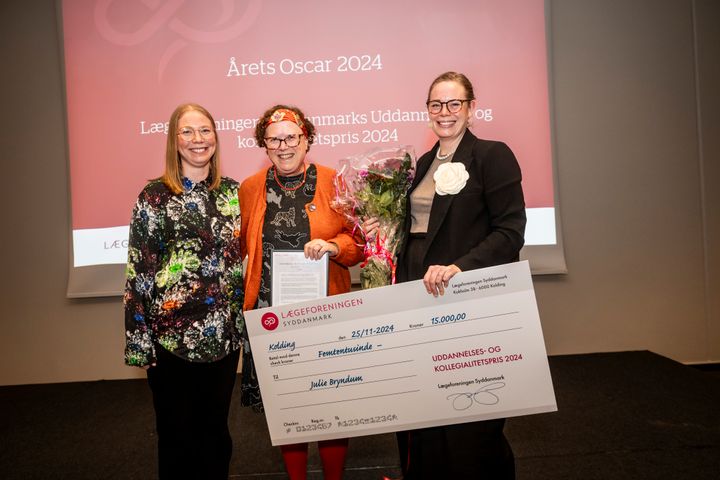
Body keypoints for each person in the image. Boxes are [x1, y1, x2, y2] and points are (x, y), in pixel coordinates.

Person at [392, 71, 526, 478]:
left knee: (471, 416)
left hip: (465, 296)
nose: (444, 112)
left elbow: (511, 231)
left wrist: (460, 268)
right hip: (417, 293)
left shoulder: (492, 154)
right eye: (436, 104)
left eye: (454, 103)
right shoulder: (420, 164)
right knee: (425, 407)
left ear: (471, 108)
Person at [238, 105, 364, 480]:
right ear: (264, 143)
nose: (283, 145)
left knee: (331, 404)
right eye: (274, 138)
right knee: (287, 408)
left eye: (291, 136)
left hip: (325, 314)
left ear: (306, 138)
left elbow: (358, 244)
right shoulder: (250, 188)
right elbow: (237, 248)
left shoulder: (334, 182)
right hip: (272, 318)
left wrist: (334, 246)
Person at [123, 103, 244, 480]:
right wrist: (138, 341)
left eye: (205, 130)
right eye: (188, 132)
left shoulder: (233, 193)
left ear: (216, 138)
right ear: (174, 141)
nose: (198, 140)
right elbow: (138, 272)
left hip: (223, 339)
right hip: (170, 340)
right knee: (177, 438)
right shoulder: (154, 196)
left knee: (216, 436)